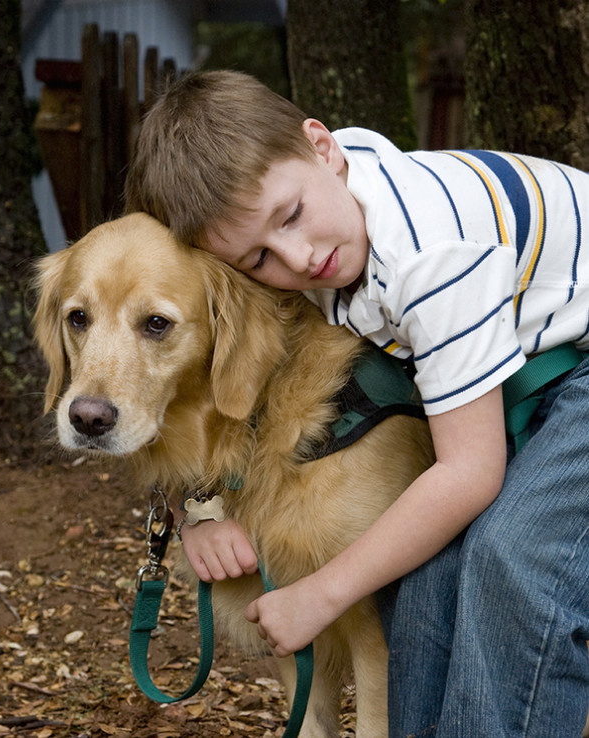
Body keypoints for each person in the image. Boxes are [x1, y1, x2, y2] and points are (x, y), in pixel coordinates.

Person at [125, 70, 589, 737]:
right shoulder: (310, 200)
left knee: (515, 557)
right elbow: (196, 379)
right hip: (549, 362)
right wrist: (198, 507)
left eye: (291, 217)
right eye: (260, 255)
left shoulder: (428, 254)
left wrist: (319, 594)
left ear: (323, 146)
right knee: (432, 571)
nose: (299, 257)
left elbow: (470, 473)